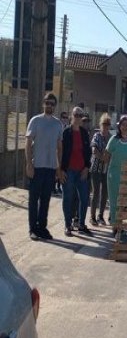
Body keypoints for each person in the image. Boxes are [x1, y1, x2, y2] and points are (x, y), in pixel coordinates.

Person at [25, 92, 63, 241]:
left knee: (46, 199)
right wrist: (29, 164)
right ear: (43, 104)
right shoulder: (35, 121)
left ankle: (42, 228)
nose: (49, 105)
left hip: (50, 167)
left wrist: (58, 168)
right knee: (33, 199)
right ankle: (33, 229)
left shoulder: (57, 124)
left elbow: (59, 147)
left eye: (52, 103)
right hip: (37, 166)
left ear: (55, 106)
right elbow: (28, 143)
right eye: (47, 102)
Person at [60, 107, 93, 237]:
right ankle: (67, 225)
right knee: (67, 198)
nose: (78, 117)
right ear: (71, 116)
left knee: (84, 198)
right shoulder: (65, 133)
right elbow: (60, 151)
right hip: (68, 170)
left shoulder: (84, 133)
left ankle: (81, 224)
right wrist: (60, 170)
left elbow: (88, 152)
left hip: (82, 171)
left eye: (80, 115)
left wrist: (86, 167)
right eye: (76, 115)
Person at [104, 115, 127, 237]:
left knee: (123, 202)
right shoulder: (114, 139)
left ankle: (121, 225)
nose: (124, 127)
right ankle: (115, 226)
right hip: (114, 176)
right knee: (114, 202)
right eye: (122, 125)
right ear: (119, 126)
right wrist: (112, 169)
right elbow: (106, 156)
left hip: (126, 176)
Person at [89, 113, 111, 226]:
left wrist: (106, 158)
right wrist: (103, 158)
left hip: (106, 170)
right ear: (100, 124)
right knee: (96, 193)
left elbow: (112, 153)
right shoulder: (96, 135)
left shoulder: (112, 138)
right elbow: (94, 150)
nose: (106, 126)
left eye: (108, 124)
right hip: (96, 168)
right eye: (104, 123)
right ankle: (92, 217)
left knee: (105, 194)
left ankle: (101, 216)